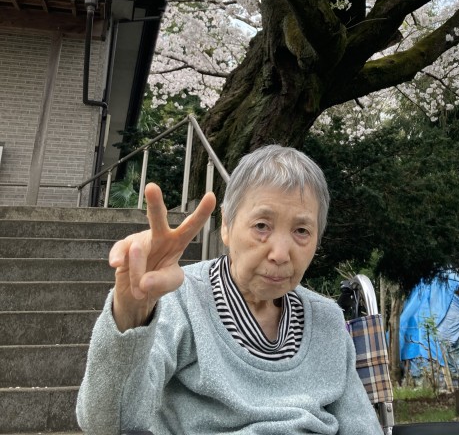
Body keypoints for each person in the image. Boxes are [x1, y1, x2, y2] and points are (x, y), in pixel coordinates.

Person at [76, 144, 382, 435]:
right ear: (226, 225)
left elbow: (363, 427)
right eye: (262, 226)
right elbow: (110, 422)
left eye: (301, 231)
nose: (280, 253)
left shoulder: (328, 319)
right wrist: (131, 313)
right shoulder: (180, 300)